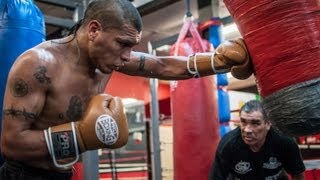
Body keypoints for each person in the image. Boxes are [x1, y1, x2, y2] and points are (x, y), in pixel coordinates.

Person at [0, 0, 252, 179]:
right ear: (94, 30)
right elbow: (11, 144)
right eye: (122, 44)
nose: (127, 56)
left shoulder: (107, 59)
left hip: (64, 173)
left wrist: (219, 62)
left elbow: (162, 65)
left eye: (131, 46)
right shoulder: (39, 64)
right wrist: (82, 135)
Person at [209, 100, 305, 180]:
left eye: (255, 123)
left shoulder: (285, 141)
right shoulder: (228, 144)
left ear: (268, 124)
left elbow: (298, 173)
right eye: (243, 121)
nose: (247, 130)